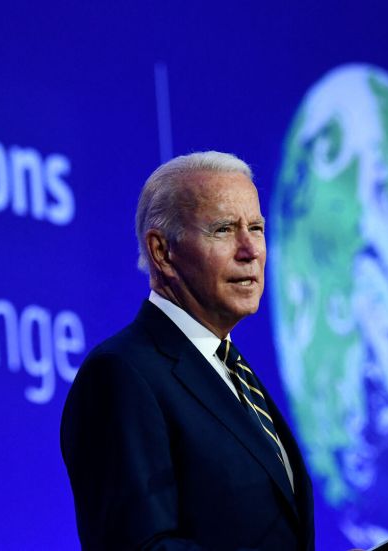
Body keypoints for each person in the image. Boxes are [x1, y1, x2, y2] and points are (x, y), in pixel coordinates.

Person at [60, 151, 315, 550]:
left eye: (257, 228)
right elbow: (142, 547)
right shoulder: (123, 374)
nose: (250, 250)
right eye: (224, 229)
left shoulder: (234, 374)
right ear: (163, 252)